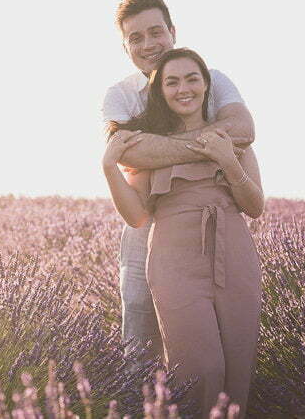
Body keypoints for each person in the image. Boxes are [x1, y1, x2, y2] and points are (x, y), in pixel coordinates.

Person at [103, 47, 263, 418]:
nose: (183, 88)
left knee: (237, 370)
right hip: (175, 263)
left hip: (234, 254)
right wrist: (111, 169)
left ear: (207, 86)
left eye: (192, 78)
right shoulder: (150, 148)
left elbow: (255, 206)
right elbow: (137, 217)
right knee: (201, 368)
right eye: (172, 82)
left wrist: (226, 159)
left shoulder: (232, 141)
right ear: (161, 93)